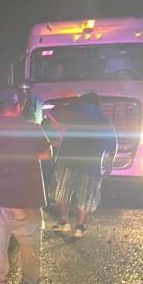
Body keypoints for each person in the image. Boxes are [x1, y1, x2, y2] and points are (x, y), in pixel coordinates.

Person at [0, 88, 55, 284]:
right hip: (25, 198)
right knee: (29, 245)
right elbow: (46, 154)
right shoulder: (32, 128)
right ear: (19, 105)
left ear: (0, 106)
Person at [50, 92, 117, 238]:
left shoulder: (72, 114)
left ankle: (64, 222)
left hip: (68, 161)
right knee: (87, 197)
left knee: (61, 192)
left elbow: (53, 113)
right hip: (91, 166)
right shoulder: (105, 121)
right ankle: (80, 228)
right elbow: (112, 147)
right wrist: (109, 165)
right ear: (98, 104)